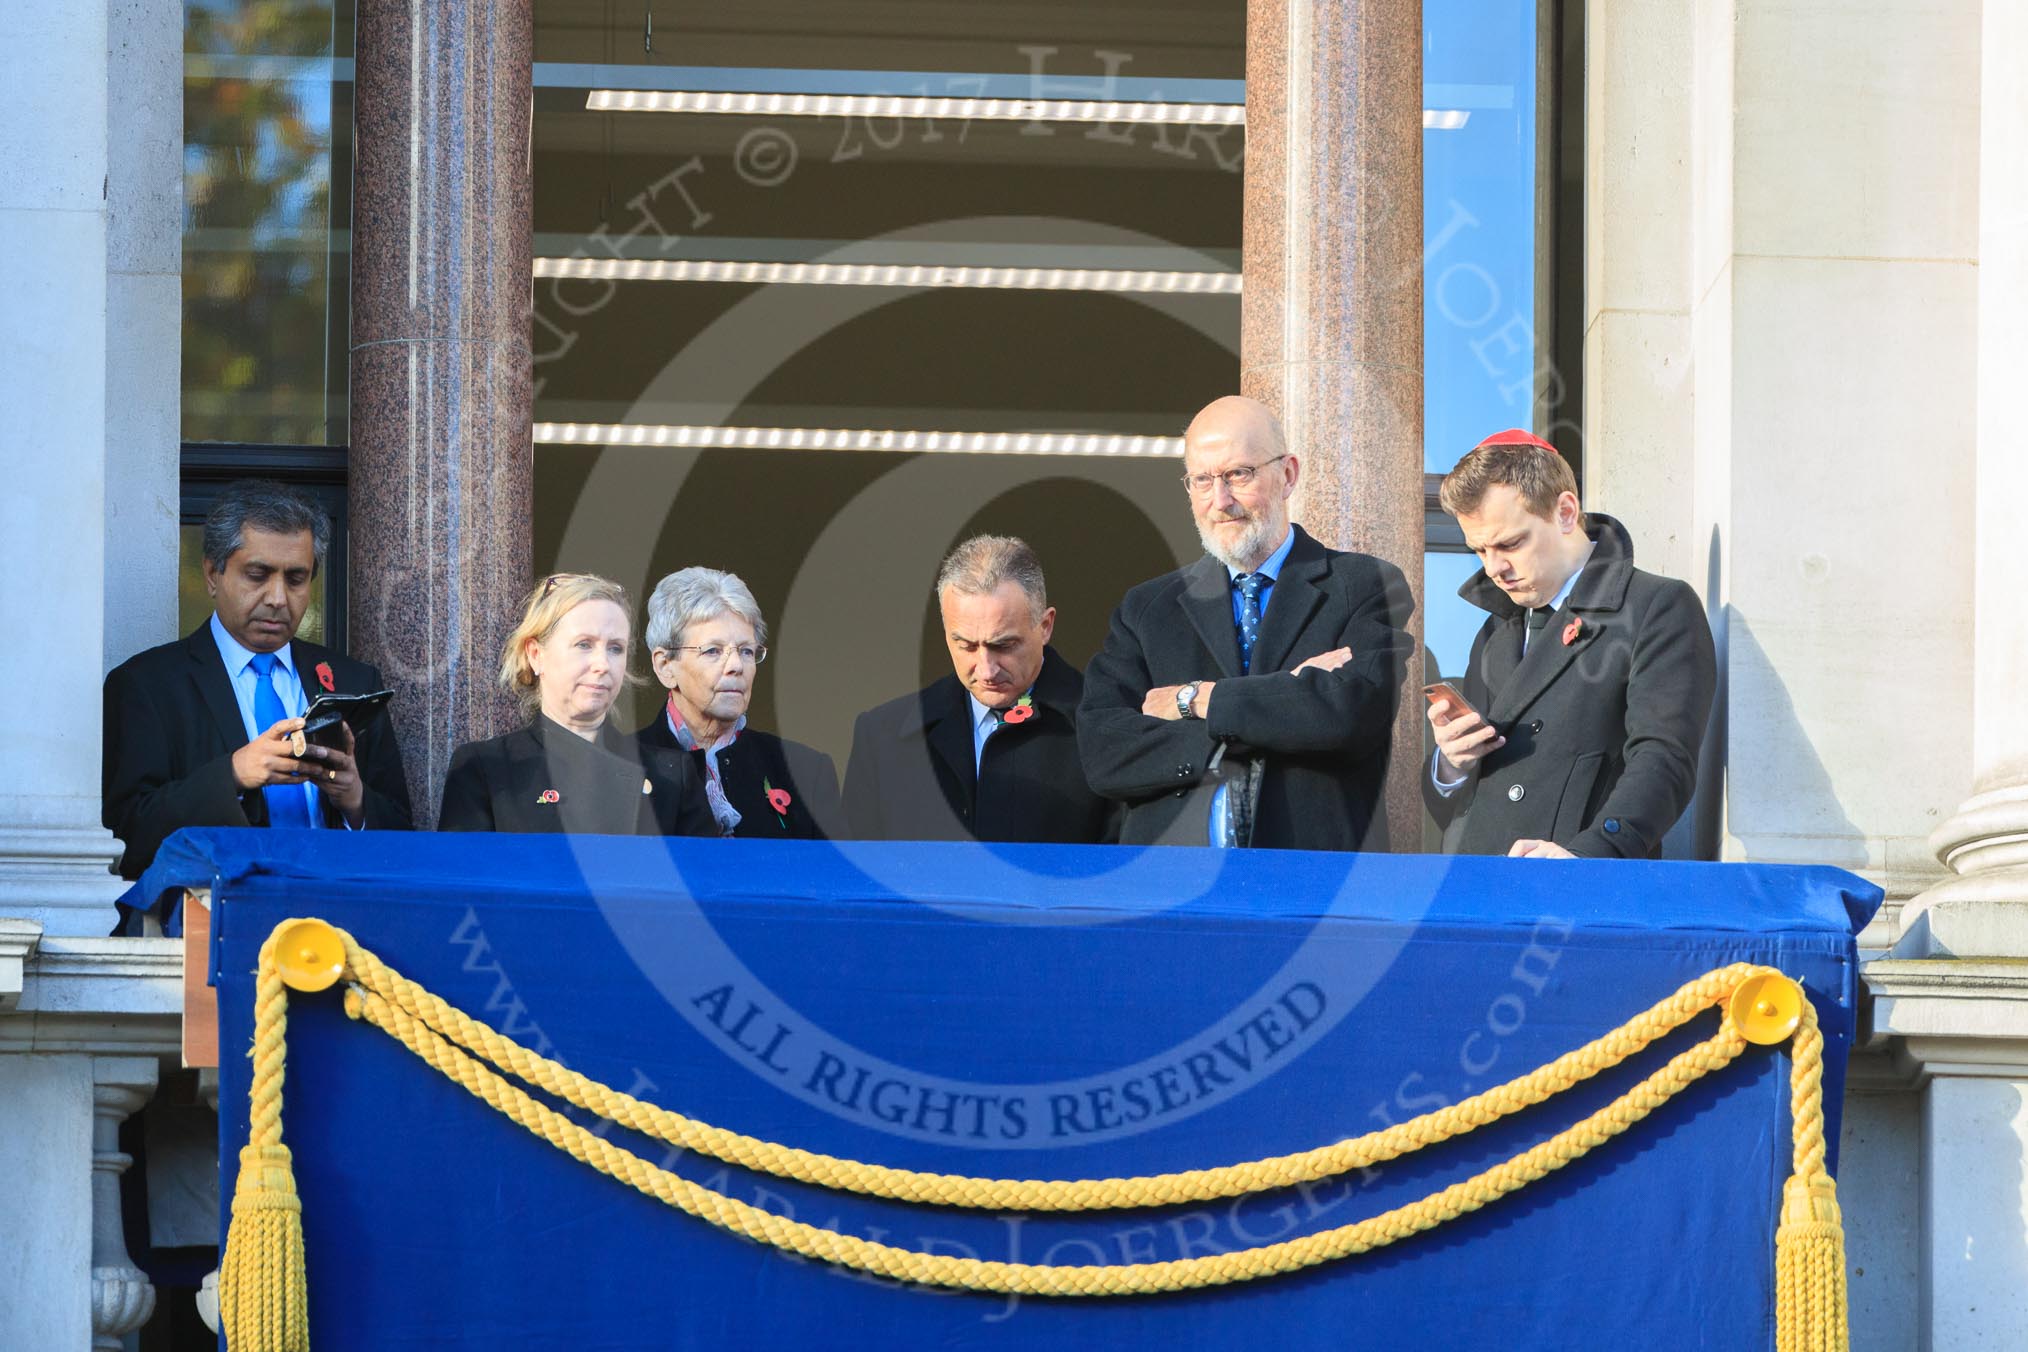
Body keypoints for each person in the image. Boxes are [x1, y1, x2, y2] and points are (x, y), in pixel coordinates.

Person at [1078, 395, 1415, 850]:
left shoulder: (1363, 585)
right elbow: (1103, 751)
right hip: (1176, 893)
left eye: (1238, 474)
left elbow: (1352, 715)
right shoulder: (1147, 609)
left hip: (1313, 889)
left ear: (1288, 474)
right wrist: (1283, 701)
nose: (1221, 500)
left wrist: (1196, 700)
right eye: (1202, 480)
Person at [1424, 429, 1716, 858]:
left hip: (1577, 892)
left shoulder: (1656, 605)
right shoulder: (1493, 632)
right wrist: (1450, 763)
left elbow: (1663, 760)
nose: (1494, 568)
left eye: (1510, 543)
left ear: (1565, 512)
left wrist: (1590, 855)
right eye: (1479, 550)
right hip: (1476, 885)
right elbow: (1461, 804)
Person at [103, 480, 411, 880]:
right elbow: (127, 834)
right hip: (218, 920)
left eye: (296, 579)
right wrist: (232, 774)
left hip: (343, 919)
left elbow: (406, 838)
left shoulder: (353, 681)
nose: (278, 598)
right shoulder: (147, 685)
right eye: (258, 574)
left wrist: (355, 800)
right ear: (213, 574)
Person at [845, 535, 1115, 844]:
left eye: (1003, 645)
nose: (986, 669)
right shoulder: (883, 736)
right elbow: (856, 878)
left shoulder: (1105, 727)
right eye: (966, 646)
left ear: (1045, 626)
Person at [439, 573, 713, 836]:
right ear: (536, 655)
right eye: (584, 645)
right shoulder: (486, 768)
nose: (603, 665)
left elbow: (704, 878)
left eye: (615, 648)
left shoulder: (672, 775)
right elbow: (464, 878)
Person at [636, 566, 842, 839]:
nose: (736, 665)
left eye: (746, 651)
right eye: (713, 651)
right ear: (665, 666)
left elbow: (835, 879)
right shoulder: (619, 765)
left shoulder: (805, 771)